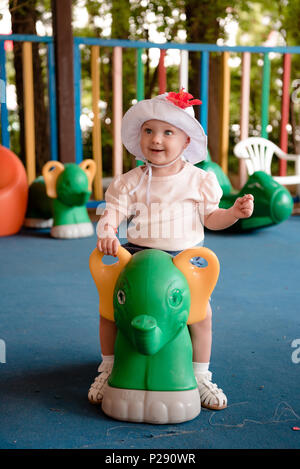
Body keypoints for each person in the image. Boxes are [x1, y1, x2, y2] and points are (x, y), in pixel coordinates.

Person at [88, 89, 254, 410]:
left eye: (168, 132)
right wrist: (107, 232)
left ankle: (200, 374)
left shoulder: (199, 180)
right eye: (149, 130)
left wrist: (232, 214)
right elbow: (111, 215)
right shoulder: (130, 181)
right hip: (136, 257)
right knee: (109, 312)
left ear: (186, 142)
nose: (157, 139)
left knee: (201, 317)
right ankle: (108, 367)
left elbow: (211, 219)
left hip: (183, 262)